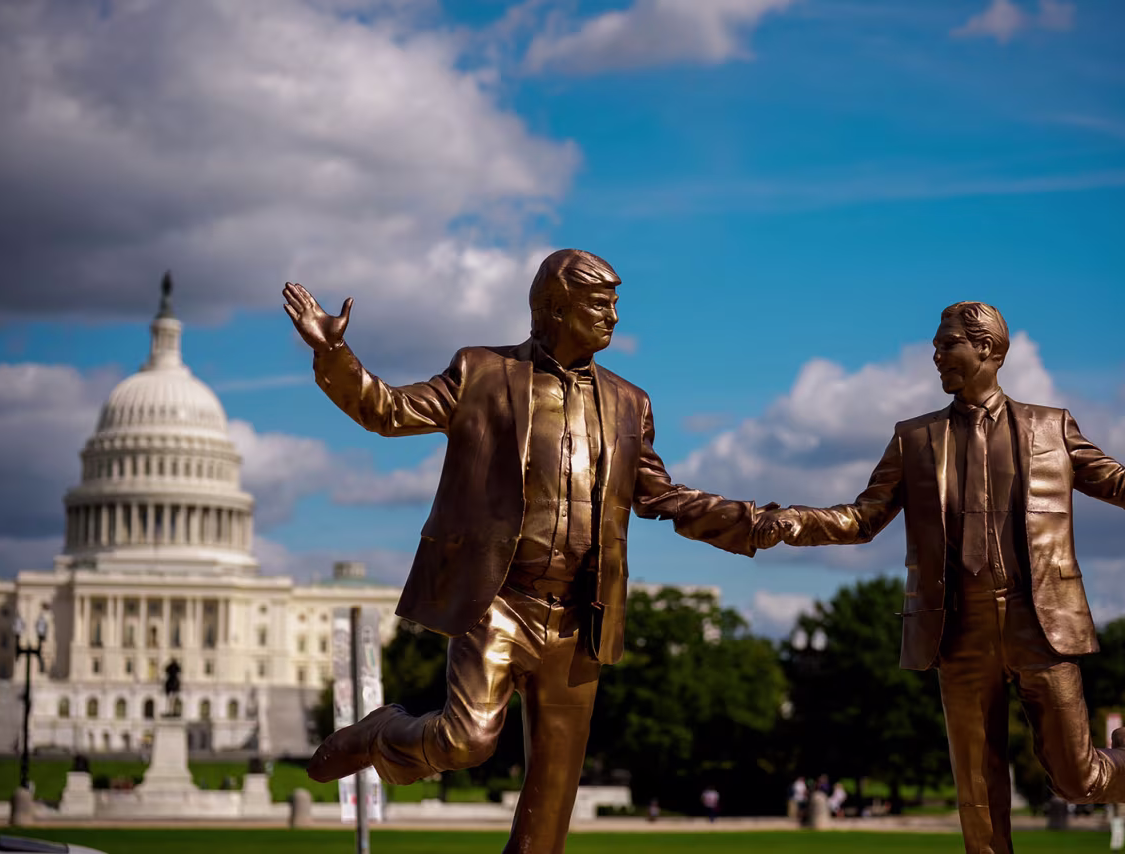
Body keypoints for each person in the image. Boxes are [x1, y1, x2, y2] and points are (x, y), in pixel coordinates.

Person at [283, 249, 766, 854]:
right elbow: (389, 410)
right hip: (499, 599)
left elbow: (661, 497)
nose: (614, 315)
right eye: (600, 303)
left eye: (616, 302)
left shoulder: (629, 403)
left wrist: (755, 524)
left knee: (549, 813)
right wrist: (333, 353)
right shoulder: (482, 371)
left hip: (579, 616)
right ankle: (383, 733)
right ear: (557, 309)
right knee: (468, 740)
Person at [754, 301, 1125, 854]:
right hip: (956, 630)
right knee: (978, 798)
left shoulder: (1050, 426)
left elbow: (1124, 487)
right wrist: (790, 521)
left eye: (948, 344)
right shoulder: (913, 439)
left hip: (1040, 625)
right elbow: (863, 518)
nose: (936, 355)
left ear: (986, 349)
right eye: (937, 345)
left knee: (1077, 781)